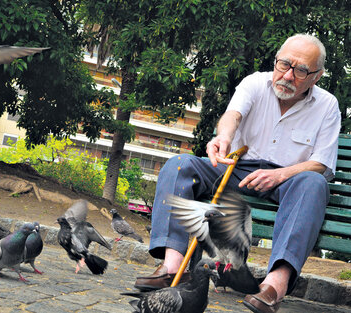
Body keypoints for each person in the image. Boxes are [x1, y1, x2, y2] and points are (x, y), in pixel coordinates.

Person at [134, 34, 341, 313]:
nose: (288, 75)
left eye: (301, 70)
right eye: (284, 64)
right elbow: (233, 116)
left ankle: (273, 286)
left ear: (316, 76)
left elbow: (322, 163)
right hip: (236, 167)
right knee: (178, 166)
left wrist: (280, 175)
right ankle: (173, 267)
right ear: (276, 61)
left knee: (314, 183)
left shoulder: (328, 106)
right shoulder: (255, 83)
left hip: (291, 179)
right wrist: (224, 137)